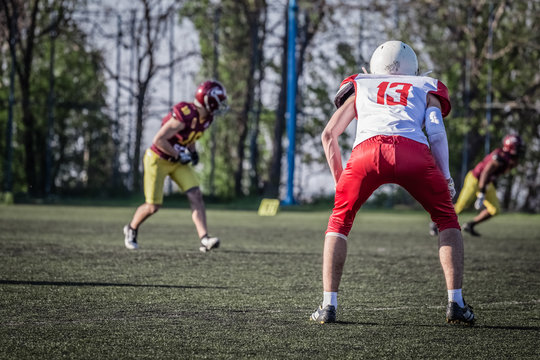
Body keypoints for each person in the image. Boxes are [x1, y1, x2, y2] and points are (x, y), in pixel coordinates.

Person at [310, 41, 475, 325]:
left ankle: (328, 306)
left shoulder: (361, 84)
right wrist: (445, 176)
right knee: (447, 218)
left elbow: (328, 135)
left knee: (339, 221)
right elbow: (436, 133)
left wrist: (341, 182)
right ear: (415, 69)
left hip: (366, 153)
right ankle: (456, 303)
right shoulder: (425, 86)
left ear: (374, 67)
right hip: (413, 152)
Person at [123, 80, 229, 253]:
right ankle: (131, 228)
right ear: (209, 101)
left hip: (177, 162)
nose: (221, 106)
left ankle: (204, 239)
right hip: (157, 159)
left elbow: (191, 135)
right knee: (153, 206)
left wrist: (193, 152)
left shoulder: (207, 118)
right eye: (219, 101)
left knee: (196, 195)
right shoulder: (184, 115)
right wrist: (179, 155)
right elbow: (158, 140)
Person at [439, 134, 523, 237]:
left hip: (487, 182)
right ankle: (436, 223)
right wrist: (482, 194)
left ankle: (470, 225)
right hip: (475, 178)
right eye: (517, 146)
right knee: (461, 206)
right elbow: (485, 173)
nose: (520, 149)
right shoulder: (500, 158)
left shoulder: (509, 159)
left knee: (495, 209)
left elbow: (492, 175)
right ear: (511, 146)